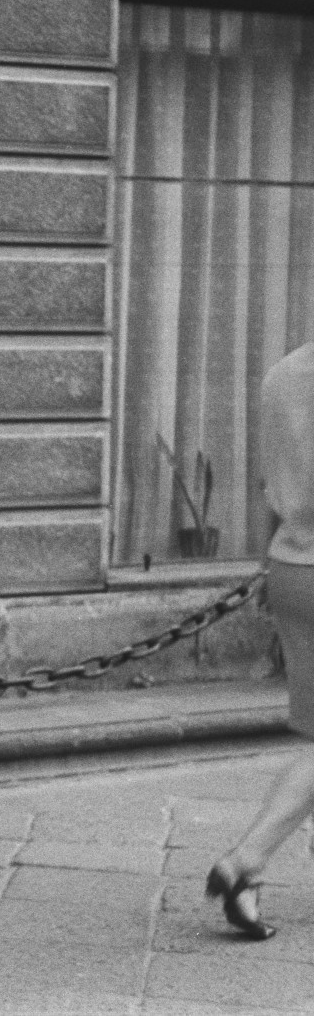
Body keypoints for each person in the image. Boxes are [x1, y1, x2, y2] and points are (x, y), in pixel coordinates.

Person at [207, 341, 314, 941]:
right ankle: (246, 859)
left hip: (293, 565)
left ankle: (248, 873)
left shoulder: (284, 373)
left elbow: (272, 482)